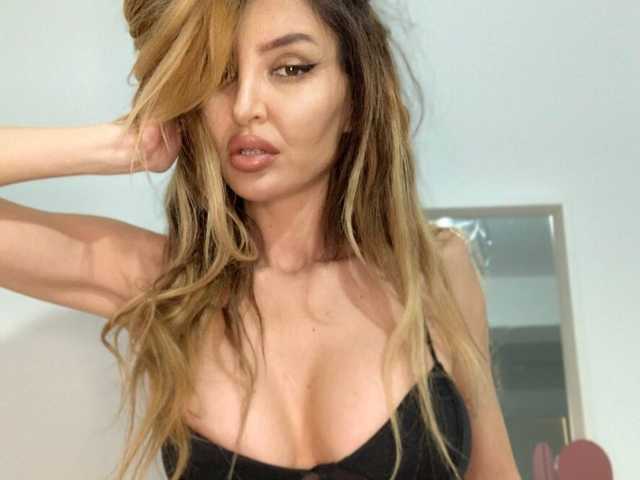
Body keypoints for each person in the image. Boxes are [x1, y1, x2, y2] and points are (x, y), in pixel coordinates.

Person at [0, 0, 522, 479]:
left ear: (356, 98)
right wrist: (121, 144)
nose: (245, 105)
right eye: (220, 75)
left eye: (290, 68)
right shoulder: (163, 284)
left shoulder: (437, 272)